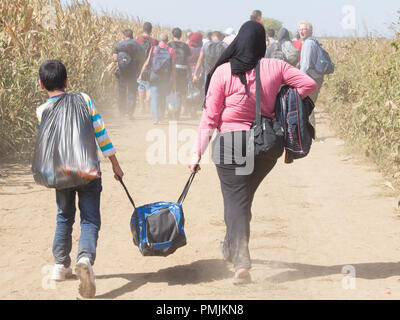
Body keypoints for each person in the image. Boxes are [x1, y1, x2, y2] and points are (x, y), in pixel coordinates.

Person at [188, 21, 317, 284]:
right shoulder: (276, 66)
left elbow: (210, 118)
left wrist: (196, 153)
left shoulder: (223, 72)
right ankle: (230, 245)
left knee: (235, 201)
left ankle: (241, 263)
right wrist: (283, 97)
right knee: (243, 199)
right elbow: (308, 84)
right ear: (262, 44)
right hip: (266, 144)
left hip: (230, 144)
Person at [36, 60, 124, 298]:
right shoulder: (84, 99)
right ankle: (84, 257)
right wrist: (115, 164)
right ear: (67, 81)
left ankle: (60, 265)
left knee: (64, 217)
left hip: (60, 173)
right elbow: (100, 132)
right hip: (88, 171)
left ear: (41, 84)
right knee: (90, 220)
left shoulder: (42, 111)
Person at [139, 33, 176, 124]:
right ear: (167, 40)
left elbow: (148, 62)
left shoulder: (153, 48)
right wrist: (174, 80)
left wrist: (141, 73)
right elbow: (173, 67)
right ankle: (161, 116)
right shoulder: (171, 50)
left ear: (159, 40)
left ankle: (155, 118)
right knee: (163, 96)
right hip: (165, 77)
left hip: (154, 76)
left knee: (155, 96)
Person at [112, 29, 145, 119]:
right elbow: (142, 58)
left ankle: (122, 112)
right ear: (132, 36)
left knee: (121, 92)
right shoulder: (137, 45)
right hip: (133, 72)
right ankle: (130, 113)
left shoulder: (118, 45)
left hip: (122, 72)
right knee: (131, 92)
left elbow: (115, 59)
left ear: (124, 36)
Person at [168, 27, 192, 119]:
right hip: (183, 69)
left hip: (172, 70)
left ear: (173, 35)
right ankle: (181, 109)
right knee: (182, 90)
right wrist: (190, 73)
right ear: (181, 35)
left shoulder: (169, 44)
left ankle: (171, 109)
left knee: (171, 89)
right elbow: (188, 61)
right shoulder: (185, 46)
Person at [136, 22, 159, 114]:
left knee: (141, 86)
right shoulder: (154, 41)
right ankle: (148, 99)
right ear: (151, 30)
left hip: (140, 67)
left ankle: (141, 107)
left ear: (143, 29)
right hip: (151, 66)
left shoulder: (137, 41)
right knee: (149, 85)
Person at [186, 32, 204, 118]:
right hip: (199, 72)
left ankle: (188, 109)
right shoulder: (202, 48)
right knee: (197, 91)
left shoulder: (188, 48)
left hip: (189, 72)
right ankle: (194, 110)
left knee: (189, 90)